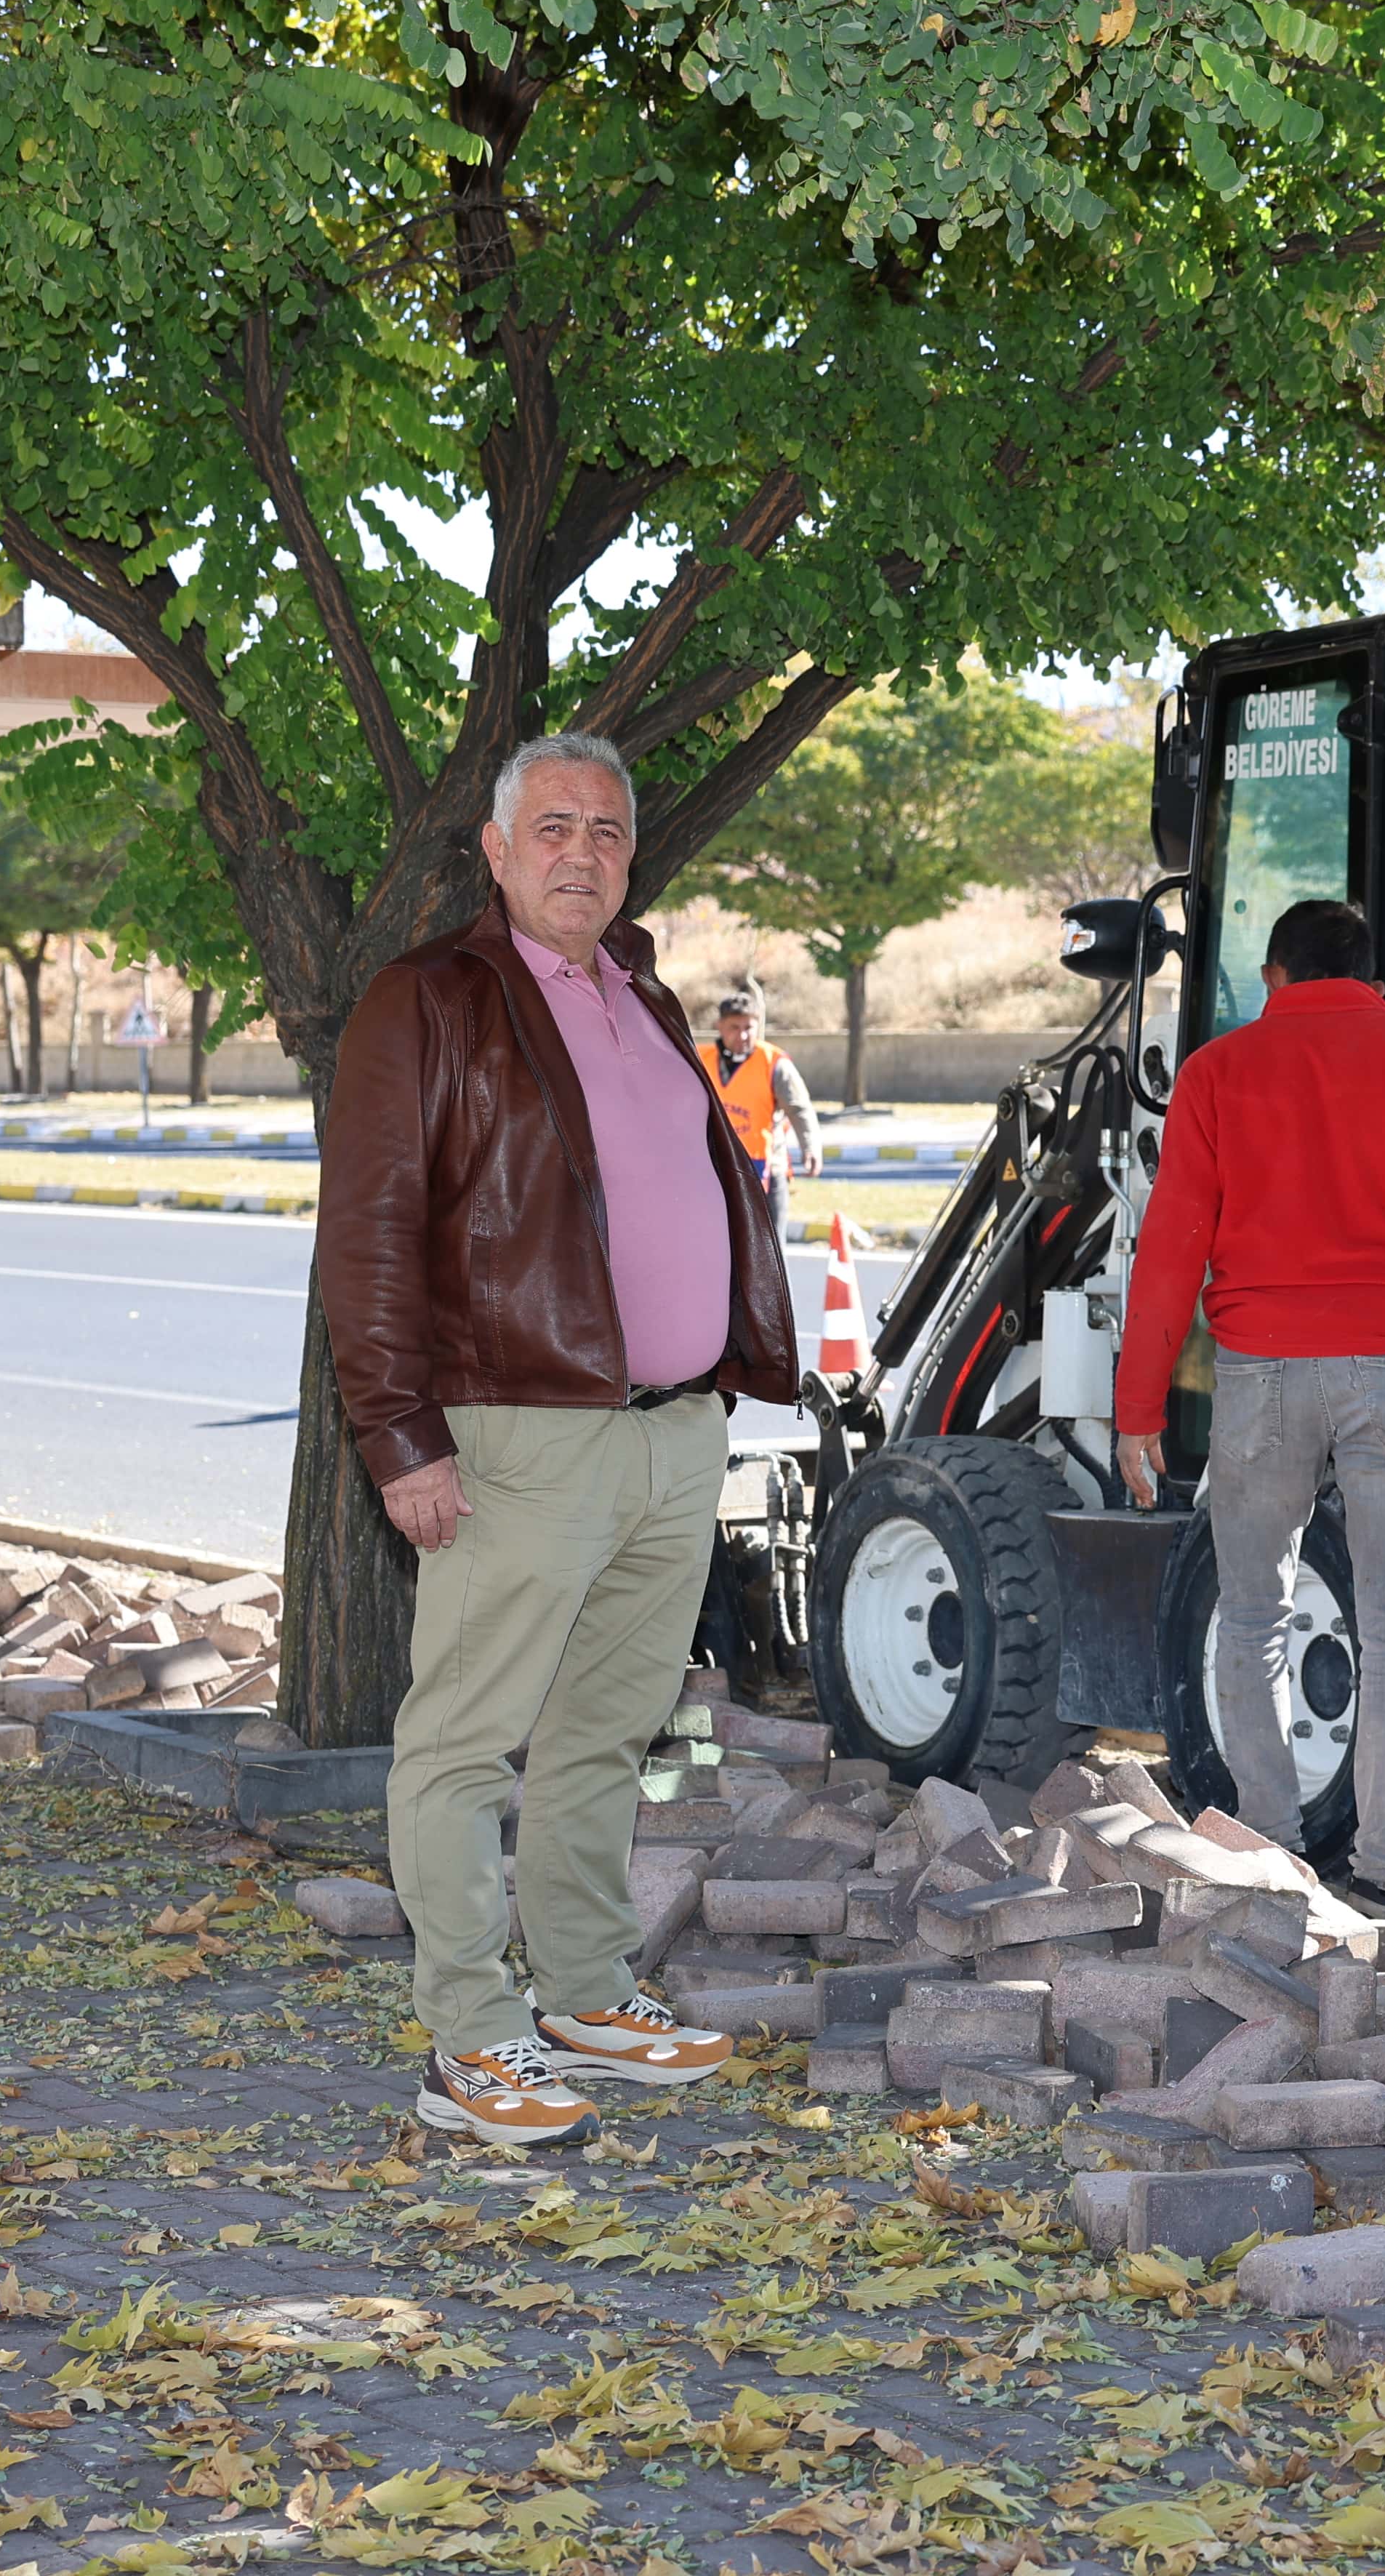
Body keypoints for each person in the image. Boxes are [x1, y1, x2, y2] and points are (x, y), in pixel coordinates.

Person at [319, 735, 801, 2151]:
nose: (580, 852)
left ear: (629, 856)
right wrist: (400, 1436)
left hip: (671, 1432)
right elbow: (369, 1237)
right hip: (521, 1432)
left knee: (608, 1733)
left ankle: (586, 1989)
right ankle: (472, 2034)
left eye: (605, 829)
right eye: (552, 828)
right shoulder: (429, 1001)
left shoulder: (645, 993)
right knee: (465, 1742)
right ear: (494, 847)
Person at [1112, 898, 1385, 1948]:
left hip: (1261, 1378)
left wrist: (1137, 1410)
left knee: (1253, 1621)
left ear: (1271, 977)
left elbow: (1169, 1251)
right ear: (1375, 982)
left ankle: (1271, 1869)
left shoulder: (1217, 1073)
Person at [708, 990, 819, 1201]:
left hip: (767, 1170)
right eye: (734, 1027)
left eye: (748, 1028)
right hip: (718, 1169)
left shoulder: (774, 1063)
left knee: (773, 1235)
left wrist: (810, 1147)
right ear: (720, 1026)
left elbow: (799, 1108)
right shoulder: (701, 1060)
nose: (742, 1035)